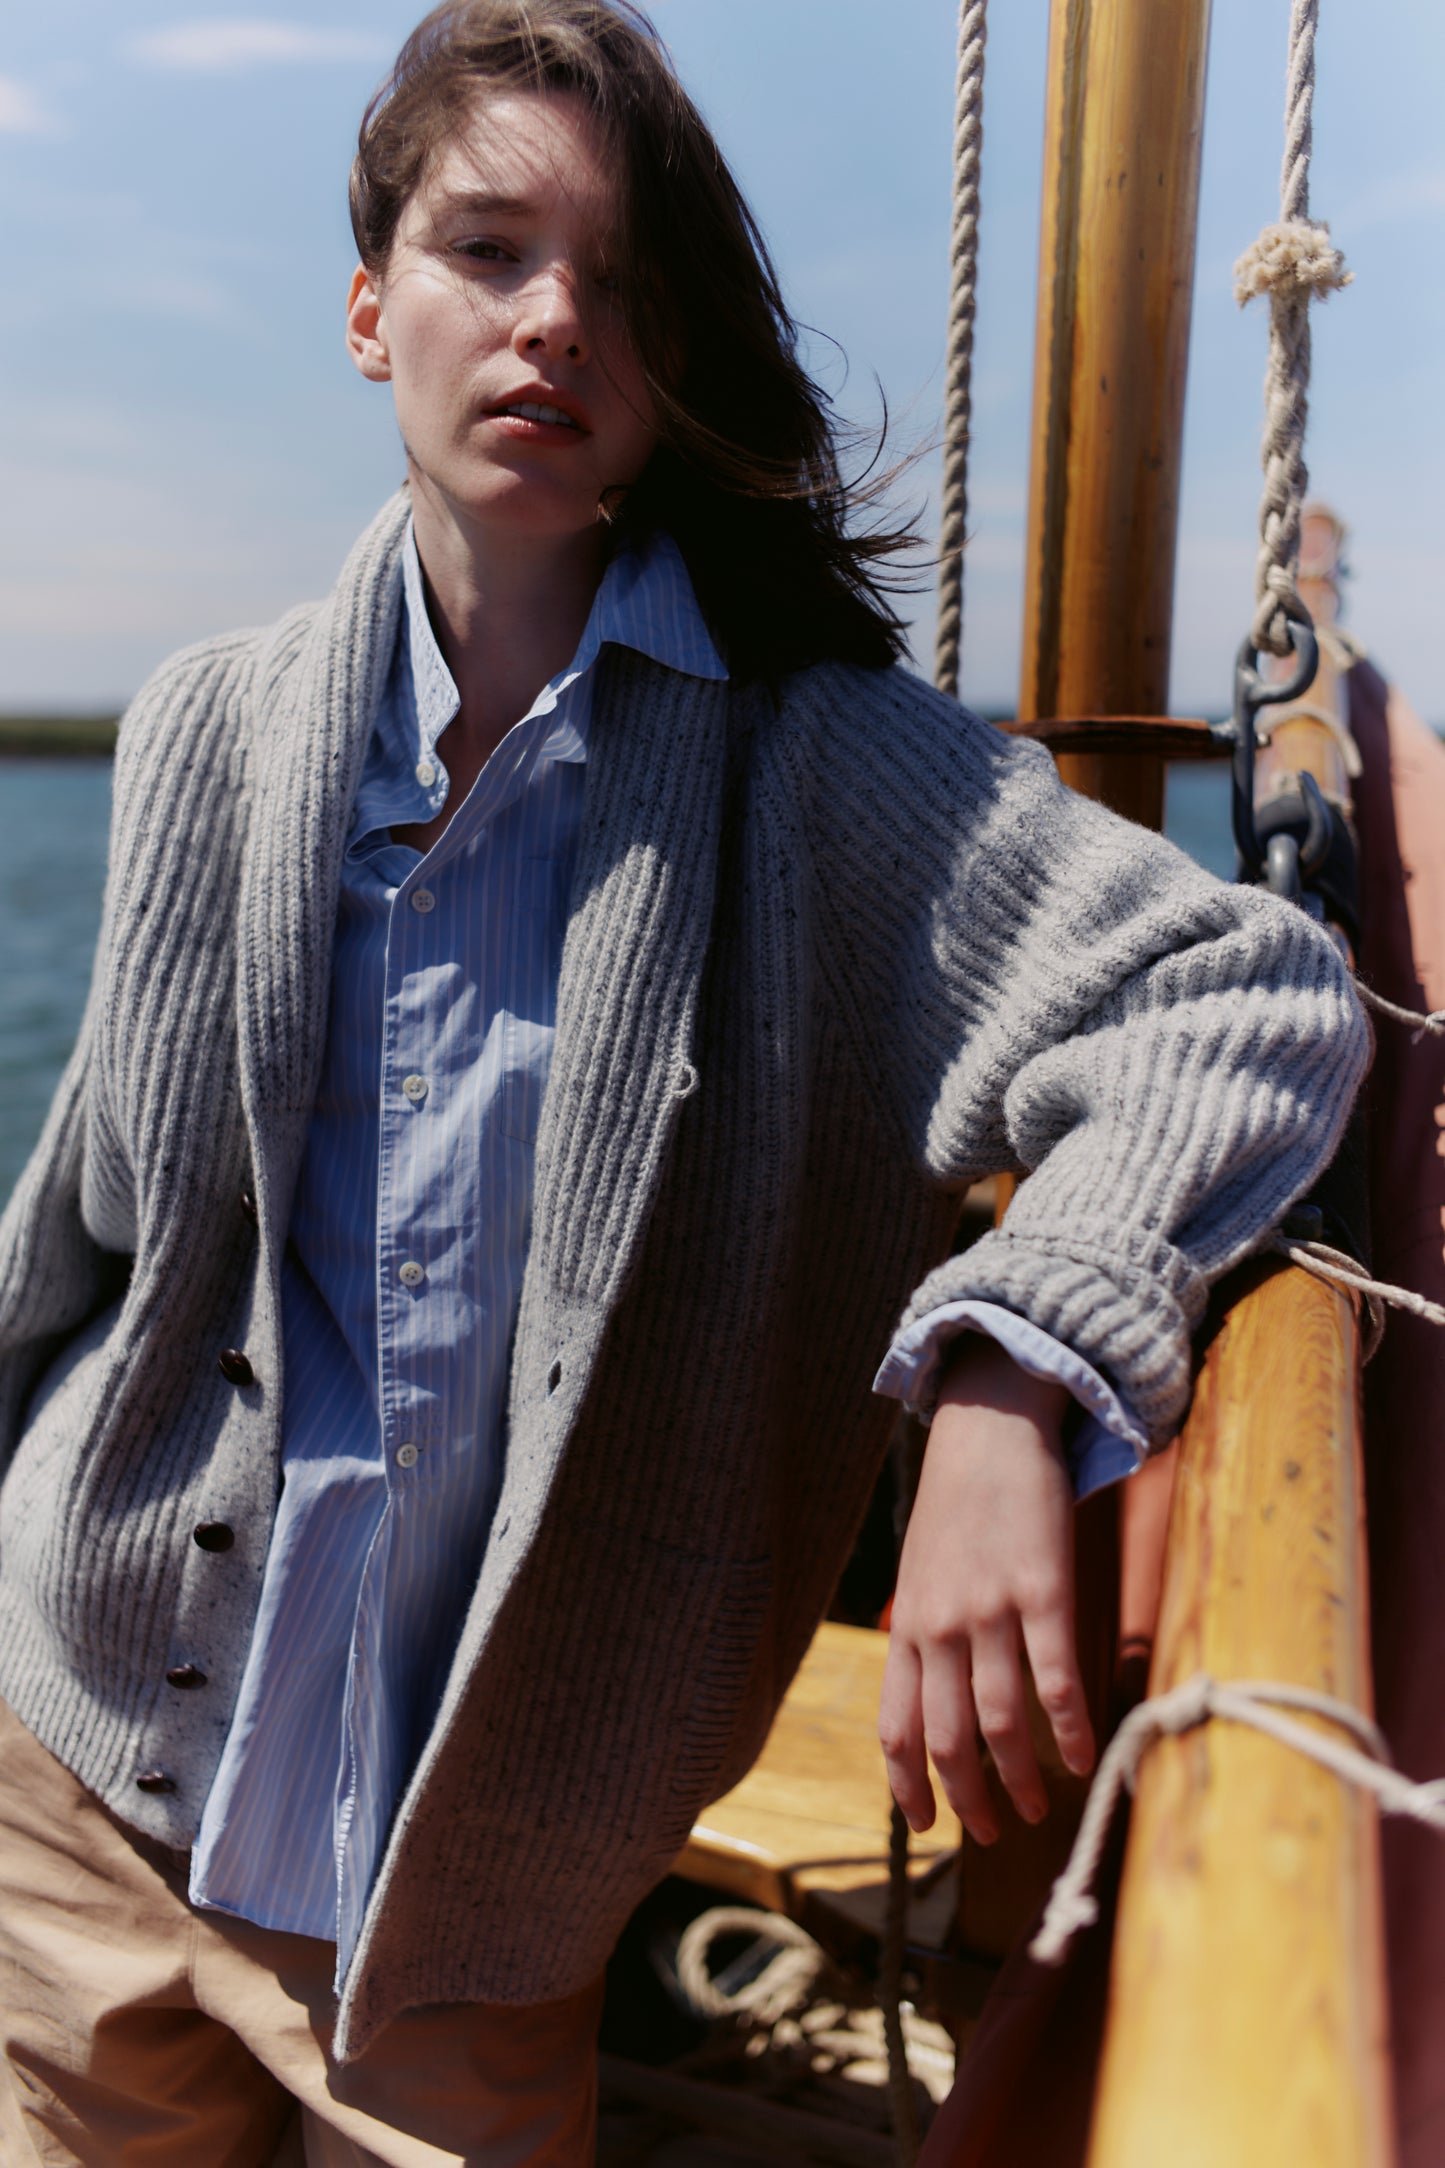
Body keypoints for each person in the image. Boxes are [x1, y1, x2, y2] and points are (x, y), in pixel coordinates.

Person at [0, 2, 1368, 2161]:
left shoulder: (821, 770)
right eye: (487, 251)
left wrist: (1013, 1369)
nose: (552, 320)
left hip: (474, 1899)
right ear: (374, 311)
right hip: (72, 1791)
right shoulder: (215, 726)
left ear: (674, 366)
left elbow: (1251, 997)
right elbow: (85, 1238)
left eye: (620, 282)